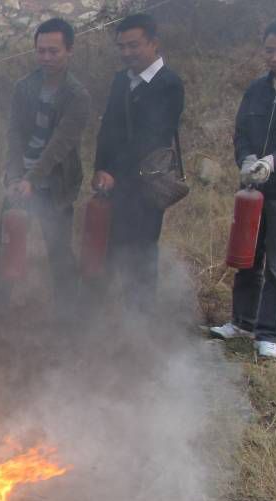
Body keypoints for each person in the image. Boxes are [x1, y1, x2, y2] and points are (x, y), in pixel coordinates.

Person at [210, 18, 276, 360]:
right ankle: (242, 321)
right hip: (253, 187)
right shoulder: (256, 88)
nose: (275, 57)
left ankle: (268, 333)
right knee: (247, 256)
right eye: (269, 50)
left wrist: (273, 162)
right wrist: (247, 158)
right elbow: (241, 130)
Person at [91, 13, 184, 309]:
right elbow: (108, 128)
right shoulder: (121, 80)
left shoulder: (169, 84)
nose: (127, 53)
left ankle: (140, 323)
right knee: (108, 248)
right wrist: (101, 168)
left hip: (146, 185)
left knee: (141, 252)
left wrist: (116, 172)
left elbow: (152, 137)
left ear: (153, 43)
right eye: (122, 46)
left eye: (134, 45)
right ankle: (106, 315)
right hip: (113, 182)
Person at [2, 17, 89, 320]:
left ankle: (68, 320)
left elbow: (59, 146)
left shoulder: (77, 96)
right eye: (41, 51)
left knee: (59, 252)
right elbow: (14, 135)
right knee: (8, 248)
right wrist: (15, 176)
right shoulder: (24, 87)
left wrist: (32, 180)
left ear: (69, 51)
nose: (47, 58)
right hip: (19, 182)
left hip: (56, 186)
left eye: (54, 51)